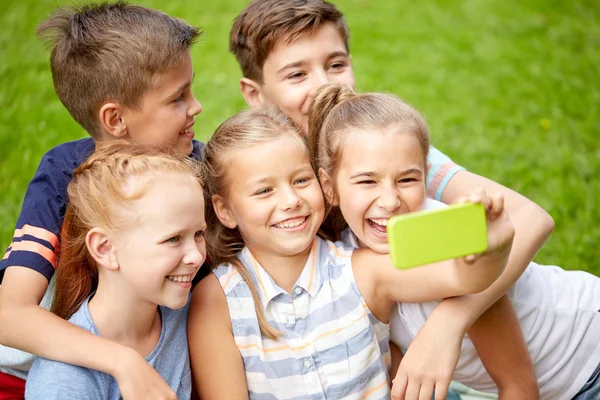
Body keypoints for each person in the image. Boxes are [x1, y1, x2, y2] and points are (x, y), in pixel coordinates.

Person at [228, 1, 553, 397]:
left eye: (335, 64)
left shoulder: (389, 152)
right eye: (297, 73)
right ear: (255, 94)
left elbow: (530, 219)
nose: (322, 84)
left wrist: (449, 323)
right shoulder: (276, 195)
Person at [187, 106, 515, 399]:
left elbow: (463, 278)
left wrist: (490, 246)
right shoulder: (216, 301)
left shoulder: (360, 270)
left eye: (301, 180)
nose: (290, 200)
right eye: (264, 190)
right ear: (225, 210)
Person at [310, 83, 600, 400]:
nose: (390, 201)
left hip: (588, 359)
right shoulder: (349, 258)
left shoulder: (452, 251)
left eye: (407, 179)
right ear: (330, 187)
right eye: (367, 181)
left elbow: (518, 386)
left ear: (426, 174)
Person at [0, 2, 203, 398]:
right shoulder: (64, 176)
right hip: (32, 371)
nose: (196, 107)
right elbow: (8, 315)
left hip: (154, 345)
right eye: (178, 98)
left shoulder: (190, 164)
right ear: (115, 120)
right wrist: (123, 361)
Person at [24, 141, 206, 399]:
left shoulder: (186, 311)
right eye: (173, 239)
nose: (196, 255)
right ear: (105, 248)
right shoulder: (64, 381)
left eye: (199, 234)